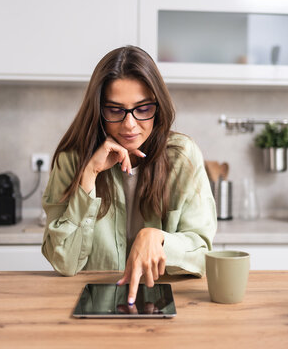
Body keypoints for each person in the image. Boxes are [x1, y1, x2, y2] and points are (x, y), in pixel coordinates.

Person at [41, 45, 216, 305]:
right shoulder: (72, 160)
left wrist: (156, 238)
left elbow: (201, 256)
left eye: (143, 109)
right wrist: (89, 175)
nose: (130, 124)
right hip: (90, 304)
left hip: (163, 304)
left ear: (159, 106)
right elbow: (64, 262)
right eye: (115, 110)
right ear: (98, 110)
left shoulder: (182, 156)